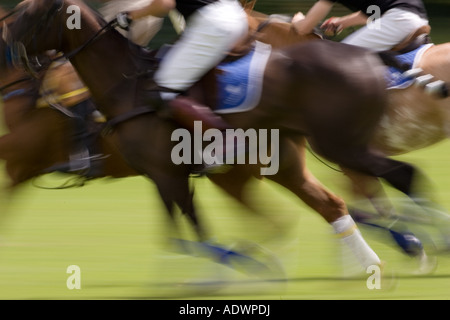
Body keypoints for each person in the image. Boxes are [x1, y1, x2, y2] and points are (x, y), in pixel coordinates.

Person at [116, 0, 249, 169]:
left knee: (160, 90)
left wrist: (131, 15)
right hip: (234, 14)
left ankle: (225, 139)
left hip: (213, 22)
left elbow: (164, 4)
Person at [291, 0, 429, 52]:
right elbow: (375, 10)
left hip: (398, 19)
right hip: (417, 18)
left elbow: (304, 29)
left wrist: (298, 21)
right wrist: (342, 22)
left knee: (337, 59)